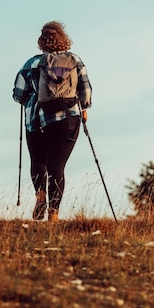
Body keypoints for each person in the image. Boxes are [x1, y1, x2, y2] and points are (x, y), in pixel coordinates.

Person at [12, 21, 92, 222]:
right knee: (57, 166)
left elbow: (18, 94)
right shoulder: (74, 60)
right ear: (63, 39)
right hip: (67, 119)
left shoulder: (31, 63)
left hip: (36, 120)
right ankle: (54, 213)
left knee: (38, 161)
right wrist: (84, 108)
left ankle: (41, 196)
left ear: (42, 42)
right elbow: (85, 89)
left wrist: (30, 97)